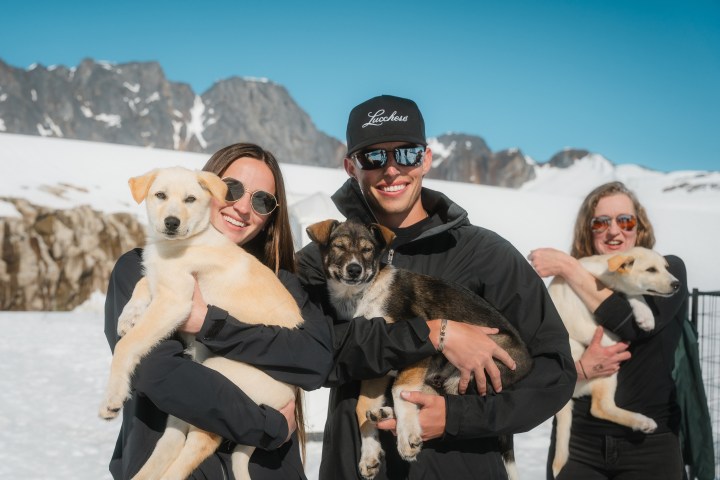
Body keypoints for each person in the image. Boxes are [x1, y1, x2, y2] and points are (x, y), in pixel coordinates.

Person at [295, 94, 577, 479]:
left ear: (426, 159)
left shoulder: (485, 254)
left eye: (406, 155)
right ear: (351, 166)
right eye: (373, 157)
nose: (391, 170)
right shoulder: (321, 260)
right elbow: (308, 355)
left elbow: (555, 370)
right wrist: (433, 334)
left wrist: (456, 416)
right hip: (354, 468)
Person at [104, 143, 336, 479]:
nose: (242, 207)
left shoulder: (284, 281)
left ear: (272, 215)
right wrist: (267, 425)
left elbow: (315, 361)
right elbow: (159, 373)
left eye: (262, 201)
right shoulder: (141, 267)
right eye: (232, 189)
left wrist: (210, 324)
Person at [529, 181, 689, 479]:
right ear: (587, 230)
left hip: (651, 447)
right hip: (579, 443)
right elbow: (540, 356)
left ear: (639, 227)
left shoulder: (668, 271)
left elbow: (631, 325)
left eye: (625, 221)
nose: (614, 231)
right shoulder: (564, 286)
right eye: (601, 222)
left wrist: (568, 266)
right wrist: (577, 371)